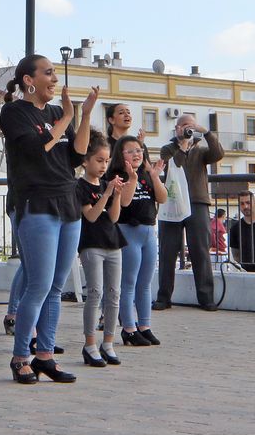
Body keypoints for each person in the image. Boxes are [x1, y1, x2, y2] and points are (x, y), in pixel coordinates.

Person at [2, 55, 95, 385]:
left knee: (56, 287)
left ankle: (45, 357)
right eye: (49, 72)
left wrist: (81, 117)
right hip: (35, 202)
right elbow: (37, 147)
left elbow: (77, 155)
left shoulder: (57, 113)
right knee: (38, 284)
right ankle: (20, 357)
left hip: (67, 201)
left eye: (55, 72)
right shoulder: (14, 112)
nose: (55, 78)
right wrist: (67, 116)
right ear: (30, 80)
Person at [156, 114, 223, 311]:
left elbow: (218, 154)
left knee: (200, 250)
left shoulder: (202, 151)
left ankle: (206, 298)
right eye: (183, 126)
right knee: (168, 251)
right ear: (176, 128)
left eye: (190, 126)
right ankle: (164, 297)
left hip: (197, 203)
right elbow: (174, 163)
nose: (187, 129)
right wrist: (183, 145)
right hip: (173, 204)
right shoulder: (168, 149)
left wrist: (206, 132)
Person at [109, 134, 166, 348]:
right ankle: (129, 328)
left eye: (139, 150)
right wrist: (132, 178)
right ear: (120, 155)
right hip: (128, 231)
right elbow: (124, 202)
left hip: (148, 230)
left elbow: (162, 198)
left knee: (145, 282)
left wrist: (155, 176)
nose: (136, 154)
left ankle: (145, 325)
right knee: (129, 282)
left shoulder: (147, 173)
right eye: (130, 151)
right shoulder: (118, 175)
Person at [77, 130, 127, 367]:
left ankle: (109, 341)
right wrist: (107, 194)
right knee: (95, 293)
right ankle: (90, 343)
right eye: (99, 160)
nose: (103, 166)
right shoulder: (81, 187)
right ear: (85, 160)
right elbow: (92, 216)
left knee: (113, 294)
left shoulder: (107, 183)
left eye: (106, 161)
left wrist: (116, 196)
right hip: (92, 244)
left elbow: (114, 218)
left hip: (113, 243)